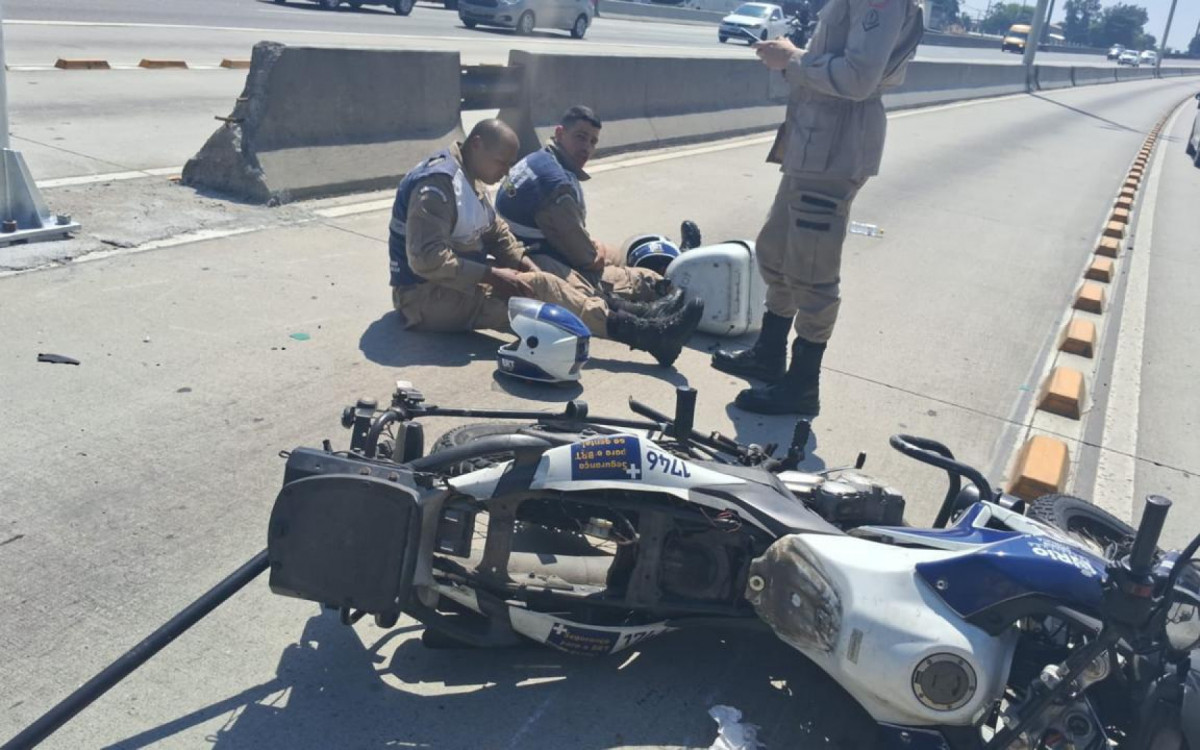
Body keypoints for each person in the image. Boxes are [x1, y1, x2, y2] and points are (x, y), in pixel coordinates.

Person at [711, 0, 923, 415]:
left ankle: (803, 385)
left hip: (835, 148)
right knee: (776, 252)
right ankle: (770, 354)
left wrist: (793, 59)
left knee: (812, 274)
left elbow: (859, 78)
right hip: (812, 141)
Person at [388, 118, 704, 367]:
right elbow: (427, 259)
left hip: (454, 282)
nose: (506, 171)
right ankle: (646, 334)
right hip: (422, 297)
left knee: (543, 274)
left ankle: (640, 316)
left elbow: (494, 230)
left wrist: (521, 262)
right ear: (477, 144)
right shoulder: (438, 186)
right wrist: (492, 276)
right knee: (539, 292)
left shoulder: (469, 173)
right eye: (502, 163)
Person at [495, 106, 688, 311]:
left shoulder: (539, 158)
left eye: (593, 141)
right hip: (539, 258)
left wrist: (598, 252)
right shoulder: (556, 187)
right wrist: (597, 256)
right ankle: (677, 282)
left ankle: (678, 260)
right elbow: (584, 258)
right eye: (580, 137)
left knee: (625, 254)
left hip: (540, 245)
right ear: (560, 133)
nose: (587, 148)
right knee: (640, 279)